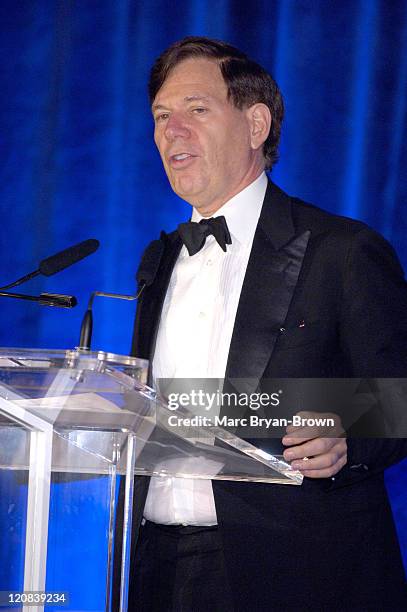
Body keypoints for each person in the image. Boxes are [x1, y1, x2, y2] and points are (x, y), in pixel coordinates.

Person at [129, 37, 407, 611]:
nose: (171, 131)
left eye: (196, 110)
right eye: (161, 115)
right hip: (155, 570)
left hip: (293, 574)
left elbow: (398, 396)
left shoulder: (342, 249)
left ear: (256, 124)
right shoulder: (158, 262)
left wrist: (347, 439)